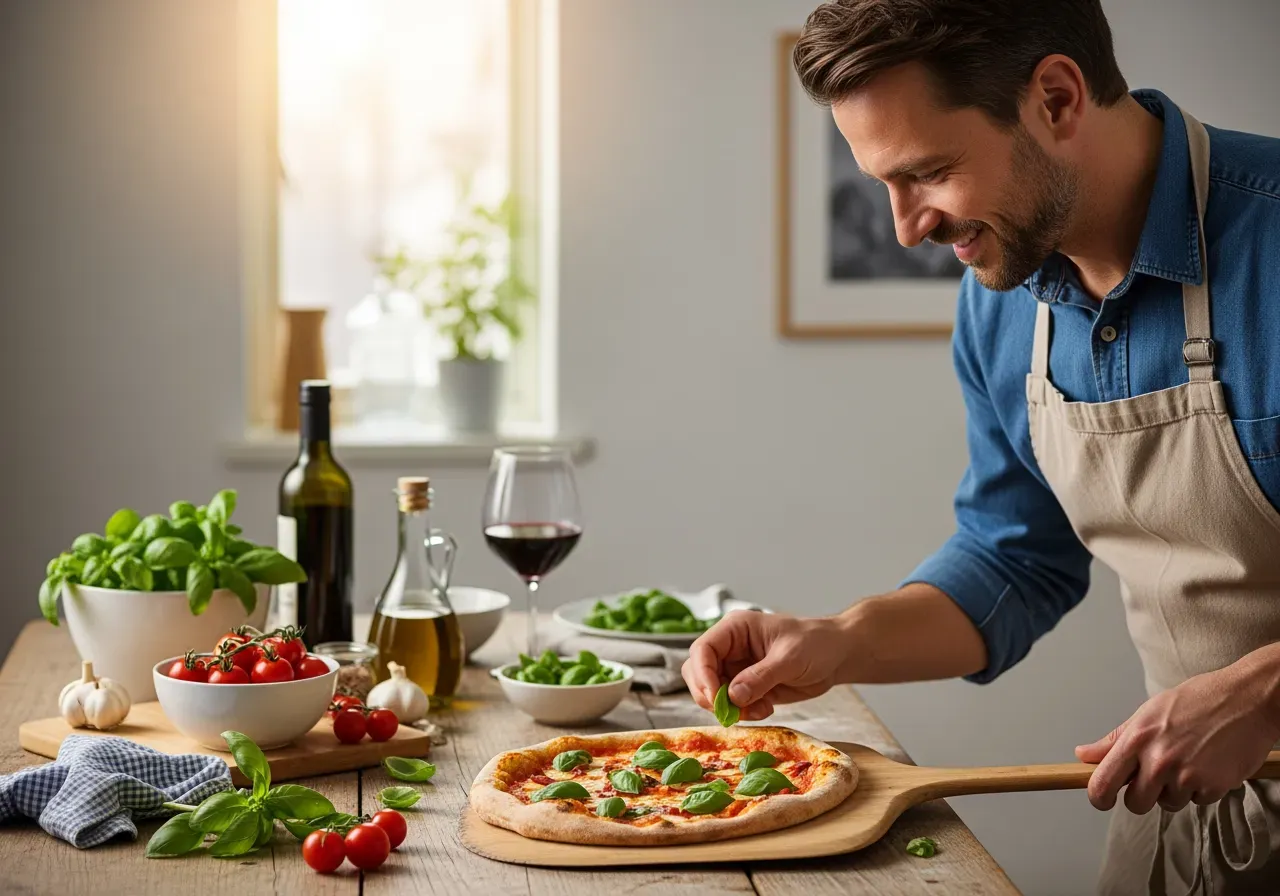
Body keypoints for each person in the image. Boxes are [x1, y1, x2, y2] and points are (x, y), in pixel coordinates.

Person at [682, 2, 1280, 893]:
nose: (905, 227)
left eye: (928, 172)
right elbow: (1015, 559)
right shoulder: (1002, 301)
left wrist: (1263, 694)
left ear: (1056, 98)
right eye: (884, 183)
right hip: (1178, 824)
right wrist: (839, 640)